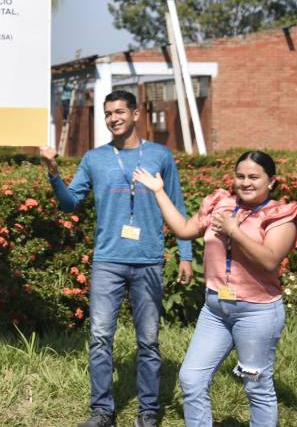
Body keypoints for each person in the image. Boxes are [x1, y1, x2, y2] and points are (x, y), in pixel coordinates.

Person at [39, 89, 193, 427]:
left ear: (136, 114)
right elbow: (70, 202)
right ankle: (102, 411)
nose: (114, 118)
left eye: (120, 111)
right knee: (99, 338)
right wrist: (53, 172)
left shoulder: (160, 156)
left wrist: (185, 254)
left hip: (149, 258)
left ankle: (149, 411)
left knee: (149, 340)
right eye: (108, 113)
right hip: (108, 260)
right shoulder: (95, 158)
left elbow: (178, 206)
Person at [133, 151, 297, 427]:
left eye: (254, 177)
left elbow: (269, 260)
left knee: (256, 386)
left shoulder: (280, 216)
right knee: (191, 378)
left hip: (257, 313)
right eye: (240, 176)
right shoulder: (221, 203)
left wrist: (234, 231)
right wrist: (159, 192)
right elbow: (184, 229)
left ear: (271, 181)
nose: (245, 182)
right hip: (215, 310)